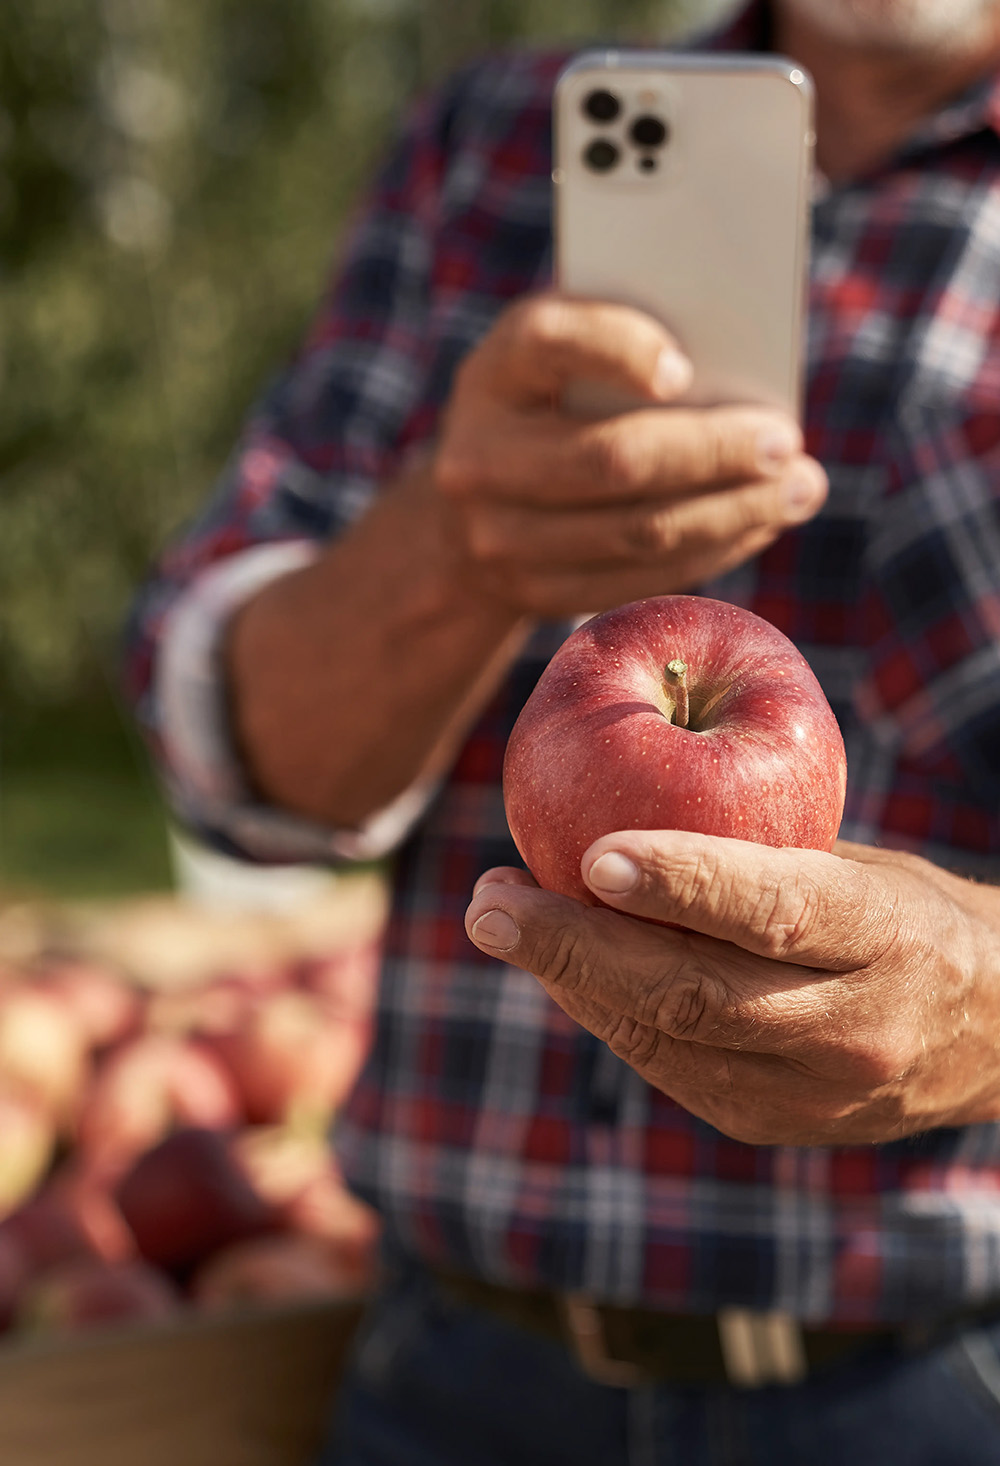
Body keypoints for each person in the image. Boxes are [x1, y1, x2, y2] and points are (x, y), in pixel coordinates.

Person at [125, 0, 1000, 1459]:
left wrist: (983, 1003)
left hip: (926, 1382)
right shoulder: (491, 150)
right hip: (448, 1374)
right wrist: (455, 547)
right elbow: (238, 766)